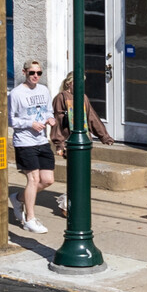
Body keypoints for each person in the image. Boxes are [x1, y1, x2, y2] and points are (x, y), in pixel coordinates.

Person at [50, 73, 114, 216]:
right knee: (75, 173)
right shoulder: (61, 98)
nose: (81, 86)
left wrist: (104, 136)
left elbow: (92, 118)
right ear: (69, 83)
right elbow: (57, 124)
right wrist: (59, 144)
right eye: (77, 83)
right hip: (70, 143)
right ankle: (67, 205)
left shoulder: (83, 98)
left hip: (84, 142)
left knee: (82, 173)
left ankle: (72, 202)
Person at [9, 61, 55, 233]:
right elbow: (11, 119)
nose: (35, 76)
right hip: (24, 142)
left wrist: (51, 119)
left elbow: (48, 111)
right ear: (24, 72)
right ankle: (30, 219)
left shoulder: (43, 90)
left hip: (41, 141)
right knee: (33, 179)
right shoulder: (16, 93)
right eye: (32, 73)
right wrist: (30, 123)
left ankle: (18, 198)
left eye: (39, 73)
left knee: (48, 180)